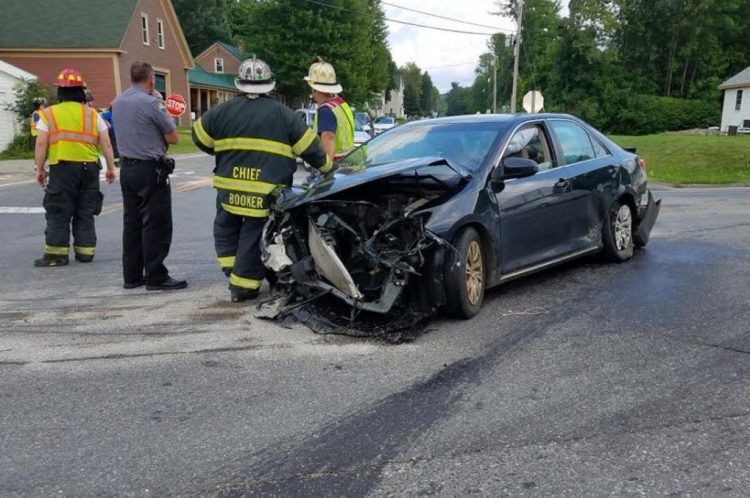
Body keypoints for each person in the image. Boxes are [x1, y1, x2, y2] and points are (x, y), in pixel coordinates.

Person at [192, 56, 331, 302]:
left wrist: (222, 150)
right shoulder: (284, 115)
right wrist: (330, 167)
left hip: (227, 189)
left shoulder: (222, 111)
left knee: (225, 229)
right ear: (270, 85)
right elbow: (312, 150)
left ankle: (232, 272)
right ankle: (243, 286)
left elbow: (200, 138)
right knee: (252, 235)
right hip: (264, 192)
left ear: (239, 84)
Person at [112, 62, 186, 291]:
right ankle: (156, 275)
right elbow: (173, 138)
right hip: (150, 169)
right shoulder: (152, 103)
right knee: (156, 223)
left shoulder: (119, 101)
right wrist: (160, 102)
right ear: (151, 79)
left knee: (132, 222)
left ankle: (132, 276)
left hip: (127, 168)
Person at [33, 68, 116, 267]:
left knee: (59, 210)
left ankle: (56, 255)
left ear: (60, 92)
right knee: (85, 210)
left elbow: (41, 144)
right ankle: (85, 252)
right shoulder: (93, 114)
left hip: (62, 168)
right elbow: (105, 142)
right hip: (89, 169)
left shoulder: (48, 114)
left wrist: (40, 168)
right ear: (81, 91)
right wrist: (111, 168)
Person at [304, 58, 355, 161]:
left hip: (335, 168)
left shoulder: (325, 110)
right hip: (347, 164)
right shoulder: (340, 103)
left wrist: (325, 169)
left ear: (314, 88)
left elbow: (328, 137)